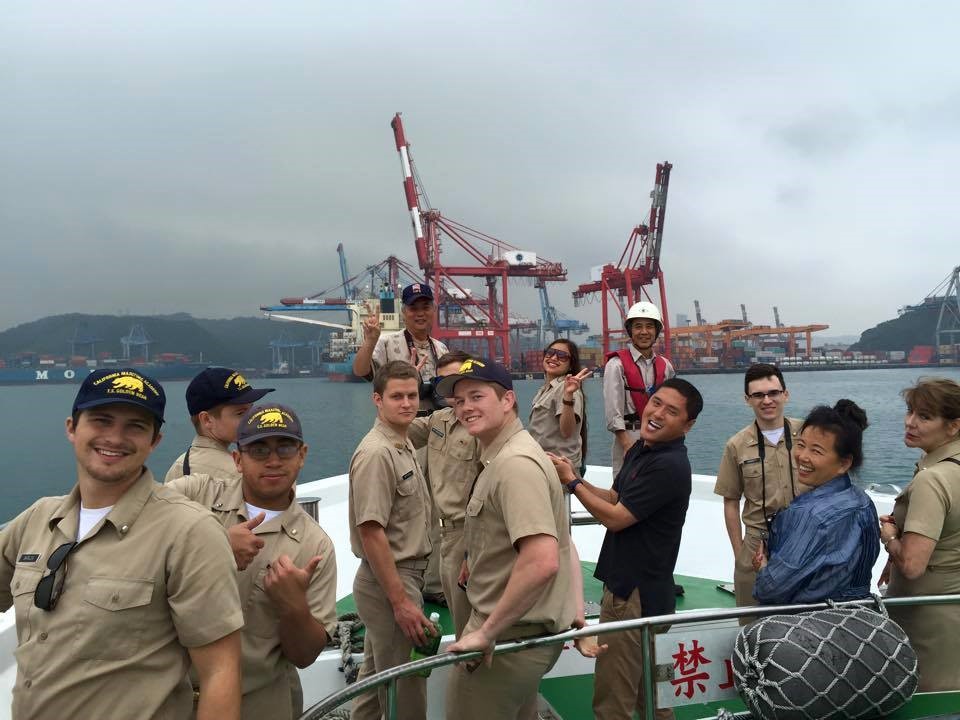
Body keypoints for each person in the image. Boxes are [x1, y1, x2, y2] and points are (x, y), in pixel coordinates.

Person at [0, 368, 244, 720]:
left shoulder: (189, 532)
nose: (115, 437)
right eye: (101, 420)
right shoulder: (37, 519)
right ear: (72, 428)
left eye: (136, 426)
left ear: (154, 441)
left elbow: (220, 672)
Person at [167, 404, 337, 720]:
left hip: (257, 703)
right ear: (237, 459)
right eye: (258, 450)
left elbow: (304, 655)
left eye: (284, 448)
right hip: (168, 698)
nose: (273, 460)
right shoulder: (194, 494)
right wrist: (216, 547)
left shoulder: (316, 546)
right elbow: (134, 537)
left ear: (302, 454)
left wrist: (294, 606)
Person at [552, 378, 703, 720]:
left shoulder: (669, 465)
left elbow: (617, 518)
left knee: (614, 698)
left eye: (672, 410)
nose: (658, 412)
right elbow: (616, 498)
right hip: (649, 590)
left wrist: (572, 483)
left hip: (632, 595)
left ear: (687, 425)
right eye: (656, 402)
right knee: (651, 695)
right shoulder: (642, 449)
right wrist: (573, 473)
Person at [438, 358, 574, 720]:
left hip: (507, 639)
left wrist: (487, 632)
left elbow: (543, 559)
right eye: (459, 400)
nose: (466, 407)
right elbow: (559, 541)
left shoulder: (514, 465)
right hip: (517, 634)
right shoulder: (501, 456)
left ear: (508, 400)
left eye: (477, 396)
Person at [349, 360, 434, 720]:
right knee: (405, 687)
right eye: (396, 396)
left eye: (412, 395)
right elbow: (371, 532)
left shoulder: (401, 441)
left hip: (398, 577)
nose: (406, 403)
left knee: (374, 680)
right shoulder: (377, 453)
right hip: (392, 580)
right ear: (377, 400)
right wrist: (400, 602)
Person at [752, 400, 879, 604]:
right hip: (855, 616)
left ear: (844, 463)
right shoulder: (863, 501)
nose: (802, 456)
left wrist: (763, 568)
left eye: (816, 451)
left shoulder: (810, 515)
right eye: (801, 445)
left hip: (808, 625)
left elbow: (770, 588)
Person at [881, 377, 960, 691]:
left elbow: (912, 565)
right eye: (910, 411)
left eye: (924, 417)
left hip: (925, 622)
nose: (910, 422)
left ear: (953, 426)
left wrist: (890, 537)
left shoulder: (933, 479)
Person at [713, 363, 803, 613]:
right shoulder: (736, 445)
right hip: (757, 541)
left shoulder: (807, 435)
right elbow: (730, 501)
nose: (767, 400)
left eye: (773, 393)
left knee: (803, 617)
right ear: (747, 400)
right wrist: (739, 552)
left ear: (785, 394)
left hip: (803, 536)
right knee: (752, 619)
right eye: (758, 395)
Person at [407, 350, 481, 637]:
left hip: (471, 534)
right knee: (460, 613)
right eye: (444, 381)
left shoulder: (482, 425)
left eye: (458, 378)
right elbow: (399, 425)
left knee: (474, 619)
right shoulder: (439, 420)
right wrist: (410, 386)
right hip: (445, 534)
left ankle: (476, 673)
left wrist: (470, 553)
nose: (453, 387)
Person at [352, 282, 449, 415]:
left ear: (434, 310)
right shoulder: (386, 343)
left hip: (436, 424)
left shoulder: (441, 348)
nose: (420, 313)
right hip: (399, 424)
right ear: (403, 312)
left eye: (426, 308)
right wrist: (370, 341)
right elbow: (360, 371)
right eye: (413, 308)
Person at [603, 301, 675, 477]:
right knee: (626, 491)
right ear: (630, 331)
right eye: (638, 327)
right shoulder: (616, 365)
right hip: (629, 436)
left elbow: (674, 406)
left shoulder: (665, 366)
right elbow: (613, 411)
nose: (644, 332)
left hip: (660, 437)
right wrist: (627, 445)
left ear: (657, 331)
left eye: (650, 326)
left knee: (658, 488)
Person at [165, 367, 274, 482]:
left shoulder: (178, 467)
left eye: (251, 410)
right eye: (241, 413)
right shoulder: (239, 473)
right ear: (207, 420)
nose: (252, 418)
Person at [528, 339, 591, 473]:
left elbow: (567, 432)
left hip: (557, 469)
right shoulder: (545, 389)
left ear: (570, 365)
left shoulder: (567, 389)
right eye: (550, 353)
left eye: (562, 356)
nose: (554, 357)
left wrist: (568, 396)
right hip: (542, 465)